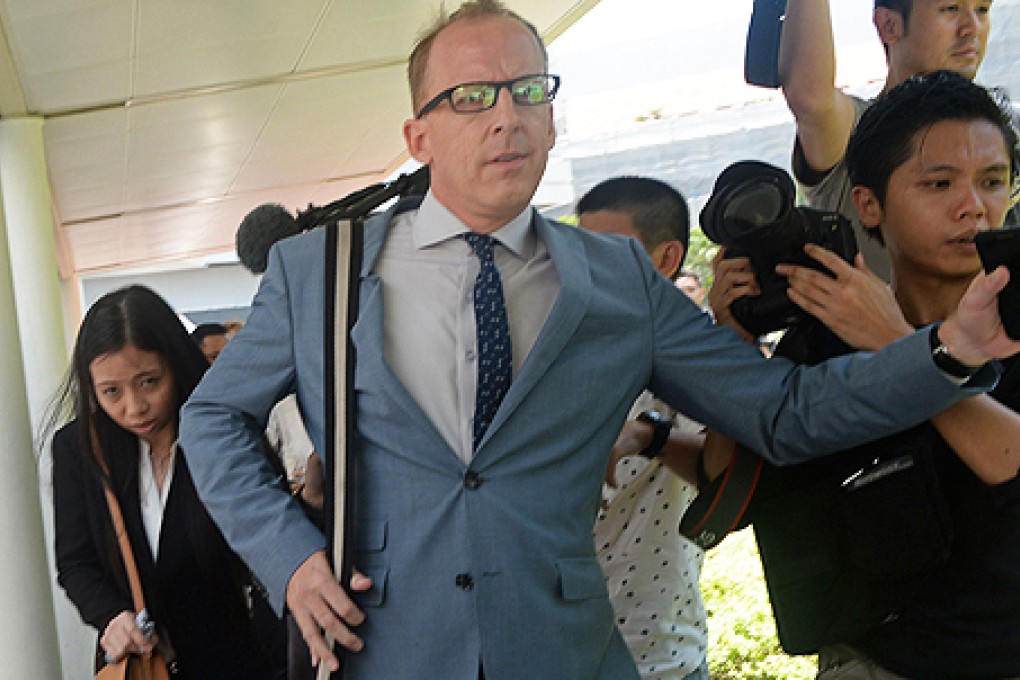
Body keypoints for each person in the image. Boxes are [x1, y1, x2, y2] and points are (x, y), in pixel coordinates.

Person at [179, 2, 1020, 678]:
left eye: (528, 90)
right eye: (471, 98)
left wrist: (947, 349)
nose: (505, 116)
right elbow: (211, 420)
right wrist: (289, 558)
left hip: (568, 650)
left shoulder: (616, 279)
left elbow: (780, 412)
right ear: (419, 137)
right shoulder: (318, 270)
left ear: (552, 118)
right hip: (382, 647)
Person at [717, 70, 1020, 678]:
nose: (975, 206)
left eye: (994, 181)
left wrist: (904, 351)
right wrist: (731, 345)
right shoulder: (830, 330)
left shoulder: (1006, 318)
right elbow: (738, 483)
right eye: (939, 183)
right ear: (868, 203)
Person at [49, 285, 278, 679]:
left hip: (234, 660)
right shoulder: (79, 449)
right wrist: (111, 617)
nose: (134, 407)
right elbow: (76, 562)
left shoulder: (222, 430)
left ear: (175, 362)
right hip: (144, 667)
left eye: (149, 382)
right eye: (111, 392)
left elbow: (267, 530)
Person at [577, 175, 710, 679]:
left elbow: (723, 472)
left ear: (667, 259)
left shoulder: (698, 352)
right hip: (559, 649)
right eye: (582, 250)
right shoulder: (556, 349)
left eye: (609, 250)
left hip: (659, 656)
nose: (589, 268)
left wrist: (645, 435)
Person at [778, 0, 996, 280]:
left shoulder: (1002, 132)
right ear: (888, 25)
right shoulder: (859, 128)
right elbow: (810, 98)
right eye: (950, 9)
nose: (972, 28)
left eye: (982, 10)